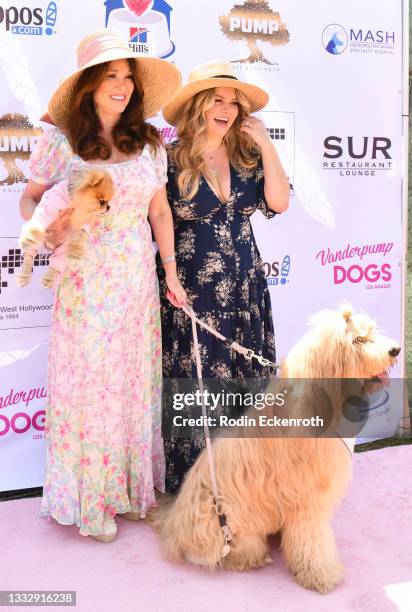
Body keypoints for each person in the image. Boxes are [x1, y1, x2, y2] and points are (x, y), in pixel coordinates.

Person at [20, 30, 186, 542]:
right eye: (110, 76)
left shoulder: (152, 142)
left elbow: (159, 211)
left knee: (132, 387)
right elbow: (29, 200)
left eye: (128, 77)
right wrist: (53, 227)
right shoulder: (60, 141)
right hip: (84, 284)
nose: (121, 85)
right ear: (90, 85)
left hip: (136, 285)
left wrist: (172, 274)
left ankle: (131, 493)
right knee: (92, 389)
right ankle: (91, 503)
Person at [158, 60, 290, 493]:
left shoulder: (247, 156)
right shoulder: (169, 159)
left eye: (233, 102)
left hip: (247, 289)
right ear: (198, 105)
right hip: (192, 294)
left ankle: (247, 489)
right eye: (217, 99)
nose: (227, 108)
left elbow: (279, 203)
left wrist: (266, 143)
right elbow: (156, 223)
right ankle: (197, 492)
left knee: (247, 392)